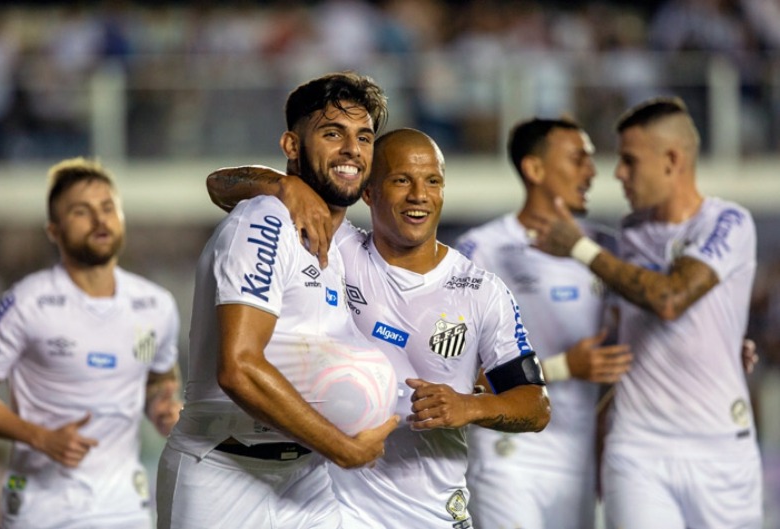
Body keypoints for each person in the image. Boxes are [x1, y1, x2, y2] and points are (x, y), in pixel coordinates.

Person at [206, 127, 551, 528]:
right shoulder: (337, 248)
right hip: (327, 507)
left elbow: (536, 406)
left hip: (430, 512)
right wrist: (283, 187)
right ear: (368, 192)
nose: (419, 195)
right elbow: (219, 185)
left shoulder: (482, 291)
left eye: (432, 181)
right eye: (401, 180)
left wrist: (469, 406)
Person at [155, 72, 400, 529]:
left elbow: (220, 183)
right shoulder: (266, 219)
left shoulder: (342, 240)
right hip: (225, 475)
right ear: (291, 145)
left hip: (307, 479)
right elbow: (238, 368)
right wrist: (344, 449)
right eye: (333, 133)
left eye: (363, 137)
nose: (352, 149)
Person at [531, 96, 763, 529]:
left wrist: (581, 249)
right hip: (638, 451)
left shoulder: (728, 222)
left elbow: (671, 299)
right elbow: (624, 353)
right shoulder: (629, 237)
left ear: (672, 160)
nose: (618, 173)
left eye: (629, 161)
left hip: (721, 453)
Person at [0, 157, 183, 529]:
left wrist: (161, 407)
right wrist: (40, 437)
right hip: (44, 509)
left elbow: (159, 378)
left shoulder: (156, 304)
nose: (99, 219)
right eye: (81, 211)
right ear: (54, 231)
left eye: (108, 208)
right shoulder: (26, 302)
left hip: (125, 506)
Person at [455, 117, 633, 529]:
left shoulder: (604, 251)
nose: (592, 171)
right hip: (508, 454)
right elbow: (456, 367)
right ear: (534, 170)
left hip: (578, 460)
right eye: (578, 159)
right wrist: (563, 367)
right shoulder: (482, 250)